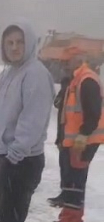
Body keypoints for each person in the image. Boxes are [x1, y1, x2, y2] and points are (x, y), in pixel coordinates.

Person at [0, 20, 55, 222]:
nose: (14, 47)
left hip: (21, 161)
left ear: (29, 43)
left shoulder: (35, 74)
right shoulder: (7, 75)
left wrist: (11, 157)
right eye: (9, 43)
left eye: (19, 42)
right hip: (2, 156)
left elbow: (32, 122)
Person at [43, 52, 104, 222]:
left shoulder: (86, 80)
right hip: (78, 140)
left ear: (76, 61)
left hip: (83, 141)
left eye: (67, 62)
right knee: (76, 181)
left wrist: (83, 135)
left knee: (73, 183)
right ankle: (75, 221)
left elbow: (93, 112)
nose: (64, 66)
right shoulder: (76, 80)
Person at [47, 76, 71, 208]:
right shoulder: (67, 86)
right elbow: (57, 103)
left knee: (70, 167)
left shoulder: (82, 85)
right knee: (64, 164)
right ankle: (65, 193)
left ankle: (69, 196)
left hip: (73, 137)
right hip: (64, 134)